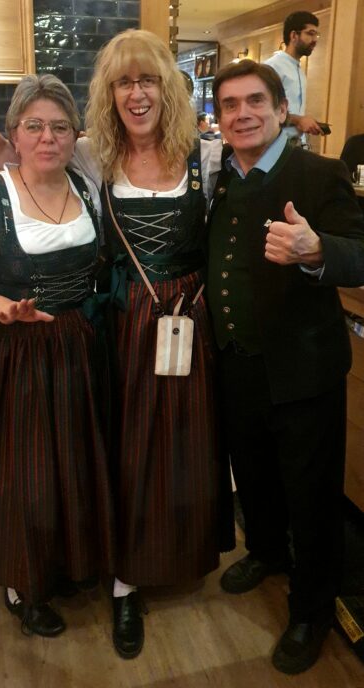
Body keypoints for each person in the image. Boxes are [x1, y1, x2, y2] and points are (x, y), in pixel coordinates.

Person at [0, 17, 235, 659]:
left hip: (156, 330)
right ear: (109, 95)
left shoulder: (196, 158)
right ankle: (92, 580)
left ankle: (154, 558)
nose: (137, 93)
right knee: (84, 458)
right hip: (109, 330)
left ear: (169, 87)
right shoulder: (96, 158)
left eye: (149, 80)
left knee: (151, 453)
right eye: (123, 82)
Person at [0, 73, 115, 638]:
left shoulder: (86, 185)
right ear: (13, 134)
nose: (47, 137)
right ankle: (22, 582)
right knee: (21, 476)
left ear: (75, 136)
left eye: (60, 127)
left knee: (70, 465)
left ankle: (64, 563)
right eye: (34, 126)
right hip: (9, 358)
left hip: (75, 350)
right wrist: (3, 309)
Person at [207, 58, 364, 674]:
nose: (242, 114)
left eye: (255, 101)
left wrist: (318, 249)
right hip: (237, 364)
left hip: (304, 372)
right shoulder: (220, 177)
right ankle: (268, 552)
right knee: (254, 475)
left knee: (312, 496)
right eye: (229, 105)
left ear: (281, 110)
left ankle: (312, 609)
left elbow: (361, 253)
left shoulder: (319, 173)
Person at [265, 11, 323, 145]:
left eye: (316, 35)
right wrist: (299, 120)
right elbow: (265, 110)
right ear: (293, 35)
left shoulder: (299, 70)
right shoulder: (273, 67)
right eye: (310, 34)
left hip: (296, 144)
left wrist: (305, 123)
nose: (315, 40)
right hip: (275, 145)